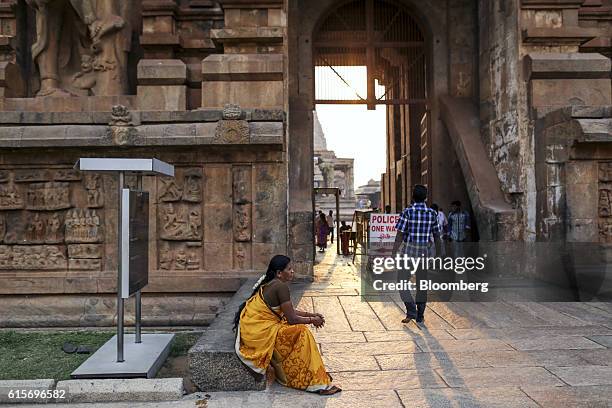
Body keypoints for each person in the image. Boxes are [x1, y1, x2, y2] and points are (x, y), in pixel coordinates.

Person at [234, 255, 341, 395]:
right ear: (279, 273)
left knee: (293, 328)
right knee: (302, 332)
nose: (292, 272)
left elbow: (288, 311)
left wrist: (311, 315)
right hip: (259, 333)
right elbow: (291, 318)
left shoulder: (273, 283)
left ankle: (311, 373)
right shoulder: (280, 286)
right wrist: (312, 321)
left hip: (256, 328)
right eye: (289, 269)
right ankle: (314, 383)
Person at [392, 185, 441, 324]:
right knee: (422, 285)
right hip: (424, 255)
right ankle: (420, 315)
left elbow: (399, 236)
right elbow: (437, 236)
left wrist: (393, 253)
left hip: (408, 254)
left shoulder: (407, 212)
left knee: (402, 283)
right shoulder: (432, 213)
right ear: (426, 198)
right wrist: (439, 254)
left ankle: (411, 310)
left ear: (412, 197)